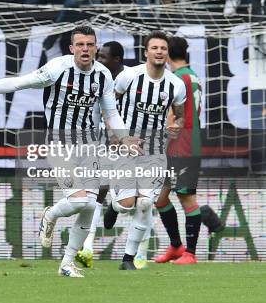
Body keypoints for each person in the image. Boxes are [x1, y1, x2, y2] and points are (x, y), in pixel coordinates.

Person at [0, 26, 141, 278]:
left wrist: (124, 138)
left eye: (89, 45)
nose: (85, 49)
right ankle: (50, 214)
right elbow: (18, 83)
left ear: (95, 47)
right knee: (80, 200)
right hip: (60, 144)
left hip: (90, 146)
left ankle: (67, 264)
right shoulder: (57, 69)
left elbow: (111, 112)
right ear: (72, 48)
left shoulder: (103, 75)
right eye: (80, 45)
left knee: (90, 207)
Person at [103, 31, 186, 271]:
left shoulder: (176, 84)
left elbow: (179, 117)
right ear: (146, 52)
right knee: (127, 203)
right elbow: (109, 107)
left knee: (146, 202)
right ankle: (114, 206)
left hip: (155, 150)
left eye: (163, 48)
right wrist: (116, 136)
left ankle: (128, 259)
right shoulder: (128, 76)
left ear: (167, 53)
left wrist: (175, 126)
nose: (159, 52)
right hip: (125, 147)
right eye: (155, 48)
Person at [153, 36, 225, 265]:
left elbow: (173, 115)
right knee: (160, 199)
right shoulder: (191, 75)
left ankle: (190, 254)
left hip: (182, 146)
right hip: (182, 144)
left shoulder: (177, 78)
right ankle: (176, 246)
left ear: (167, 54)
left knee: (187, 199)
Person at [74, 40, 128, 269]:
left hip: (133, 139)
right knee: (98, 189)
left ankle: (115, 208)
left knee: (132, 201)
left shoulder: (129, 79)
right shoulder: (96, 76)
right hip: (104, 139)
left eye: (103, 56)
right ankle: (86, 248)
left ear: (116, 60)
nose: (98, 59)